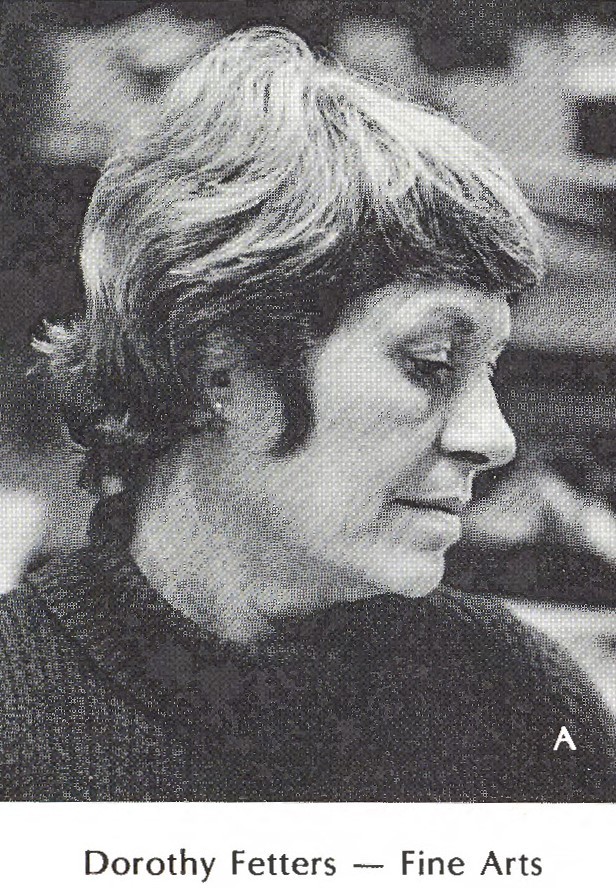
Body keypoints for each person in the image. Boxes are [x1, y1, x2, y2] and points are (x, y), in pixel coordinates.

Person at [1, 26, 613, 802]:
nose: (493, 439)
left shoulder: (524, 703)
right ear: (218, 367)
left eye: (488, 368)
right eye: (430, 363)